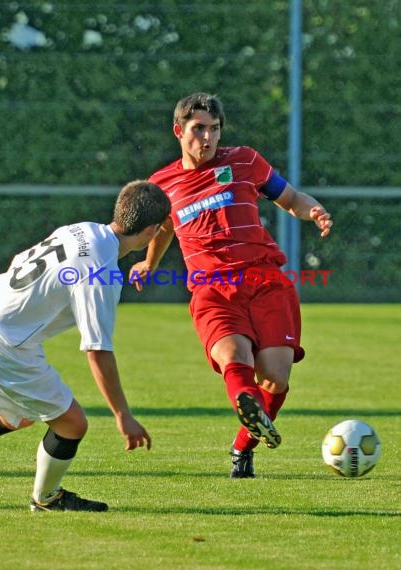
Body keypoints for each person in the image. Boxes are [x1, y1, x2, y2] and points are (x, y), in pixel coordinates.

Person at [129, 92, 333, 478]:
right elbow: (163, 228)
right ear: (179, 131)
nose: (207, 138)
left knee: (276, 377)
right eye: (198, 129)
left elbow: (290, 198)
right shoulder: (162, 183)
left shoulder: (245, 161)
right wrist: (149, 262)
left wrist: (314, 210)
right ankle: (246, 403)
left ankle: (243, 446)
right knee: (233, 359)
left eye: (214, 129)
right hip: (213, 290)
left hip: (267, 280)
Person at [0, 180, 171, 510]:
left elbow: (19, 262)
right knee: (71, 423)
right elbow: (97, 349)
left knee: (20, 414)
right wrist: (123, 415)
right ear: (151, 232)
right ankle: (46, 499)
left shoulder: (83, 229)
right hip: (5, 340)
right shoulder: (101, 270)